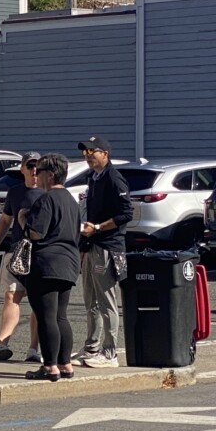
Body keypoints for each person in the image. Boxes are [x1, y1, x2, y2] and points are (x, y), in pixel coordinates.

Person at [17, 154, 80, 382]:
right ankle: (66, 363)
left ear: (50, 175)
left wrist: (23, 218)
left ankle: (50, 366)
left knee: (46, 316)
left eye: (40, 170)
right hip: (69, 262)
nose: (36, 174)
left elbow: (36, 232)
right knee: (61, 315)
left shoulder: (46, 200)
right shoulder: (71, 201)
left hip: (46, 262)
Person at [0, 151, 42, 363]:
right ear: (22, 169)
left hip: (40, 252)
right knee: (11, 295)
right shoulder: (14, 192)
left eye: (37, 166)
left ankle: (33, 349)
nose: (34, 170)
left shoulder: (47, 192)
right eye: (30, 166)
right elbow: (5, 221)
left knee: (39, 301)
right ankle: (2, 343)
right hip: (16, 252)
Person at [75, 137, 133, 368]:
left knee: (106, 300)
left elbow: (126, 213)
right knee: (90, 300)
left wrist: (98, 227)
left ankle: (111, 353)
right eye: (85, 152)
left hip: (109, 246)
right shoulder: (92, 178)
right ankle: (92, 347)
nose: (88, 155)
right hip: (91, 245)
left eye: (92, 151)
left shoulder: (114, 179)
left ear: (105, 154)